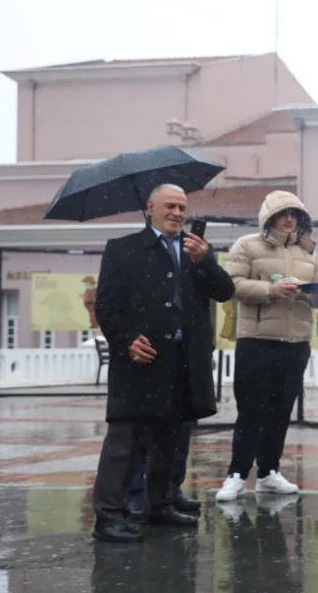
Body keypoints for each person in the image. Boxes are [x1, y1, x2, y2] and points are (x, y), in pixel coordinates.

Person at [91, 184, 235, 542]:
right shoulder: (122, 250)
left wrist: (205, 261)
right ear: (151, 208)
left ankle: (159, 505)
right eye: (170, 206)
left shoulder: (195, 250)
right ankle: (108, 516)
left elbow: (225, 291)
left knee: (168, 440)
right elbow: (107, 306)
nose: (177, 213)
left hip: (182, 362)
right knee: (124, 440)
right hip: (140, 361)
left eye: (182, 207)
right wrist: (125, 341)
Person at [215, 191, 318, 503]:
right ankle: (237, 475)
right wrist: (270, 289)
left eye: (294, 214)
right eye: (283, 214)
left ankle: (268, 473)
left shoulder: (308, 253)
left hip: (296, 344)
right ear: (269, 217)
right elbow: (231, 284)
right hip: (257, 341)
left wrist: (317, 295)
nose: (289, 219)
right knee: (251, 411)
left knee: (280, 411)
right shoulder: (247, 245)